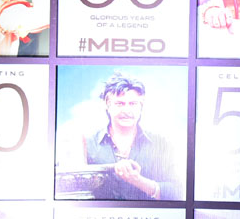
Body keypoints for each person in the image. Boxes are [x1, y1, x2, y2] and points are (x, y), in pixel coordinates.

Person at [68, 73, 182, 201]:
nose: (127, 110)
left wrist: (138, 181)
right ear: (107, 104)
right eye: (120, 104)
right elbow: (73, 192)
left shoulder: (161, 143)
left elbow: (177, 193)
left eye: (133, 104)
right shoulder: (87, 143)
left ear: (141, 105)